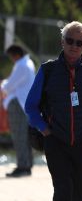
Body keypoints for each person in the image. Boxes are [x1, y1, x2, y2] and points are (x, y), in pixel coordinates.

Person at [25, 21, 82, 201]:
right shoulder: (48, 70)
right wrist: (44, 129)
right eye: (70, 40)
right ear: (62, 42)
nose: (74, 46)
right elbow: (30, 105)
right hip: (55, 140)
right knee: (63, 190)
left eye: (79, 42)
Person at [1, 44, 35, 177]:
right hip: (24, 104)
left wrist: (2, 86)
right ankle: (27, 164)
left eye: (11, 56)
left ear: (16, 55)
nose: (11, 59)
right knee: (25, 135)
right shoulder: (28, 62)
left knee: (18, 135)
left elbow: (9, 85)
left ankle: (23, 166)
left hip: (17, 104)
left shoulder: (21, 65)